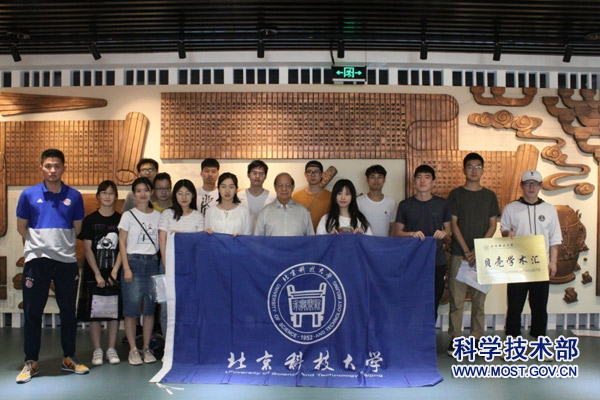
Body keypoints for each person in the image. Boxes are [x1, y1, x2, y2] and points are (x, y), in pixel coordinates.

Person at [16, 148, 89, 383]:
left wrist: (59, 246)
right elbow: (21, 227)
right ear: (41, 168)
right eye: (48, 166)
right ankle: (31, 362)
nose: (52, 170)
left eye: (57, 166)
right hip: (36, 262)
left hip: (66, 261)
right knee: (32, 313)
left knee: (68, 312)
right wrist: (39, 247)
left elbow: (77, 228)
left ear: (63, 168)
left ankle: (69, 358)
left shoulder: (74, 196)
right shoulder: (28, 194)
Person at [447, 153, 500, 355]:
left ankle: (477, 338)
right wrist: (467, 250)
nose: (474, 170)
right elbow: (453, 224)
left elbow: (493, 224)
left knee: (479, 300)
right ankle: (455, 339)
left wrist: (478, 249)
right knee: (457, 300)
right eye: (470, 166)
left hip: (482, 256)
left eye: (478, 167)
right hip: (459, 254)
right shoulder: (456, 194)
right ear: (464, 170)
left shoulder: (490, 196)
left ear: (483, 170)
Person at [501, 170, 562, 341]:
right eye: (528, 183)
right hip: (518, 265)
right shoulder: (511, 208)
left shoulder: (549, 209)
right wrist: (507, 233)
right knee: (514, 305)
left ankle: (539, 338)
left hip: (540, 265)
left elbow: (554, 238)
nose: (531, 187)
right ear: (521, 185)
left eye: (535, 183)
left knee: (539, 306)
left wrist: (553, 262)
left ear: (540, 186)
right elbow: (504, 229)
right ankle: (512, 340)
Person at [394, 165, 451, 322]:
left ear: (433, 181)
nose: (423, 180)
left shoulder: (442, 204)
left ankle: (429, 335)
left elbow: (449, 229)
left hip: (436, 260)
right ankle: (412, 334)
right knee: (412, 300)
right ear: (414, 181)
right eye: (419, 177)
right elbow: (397, 232)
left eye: (427, 177)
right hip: (412, 261)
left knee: (433, 300)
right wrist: (411, 234)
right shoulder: (405, 205)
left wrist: (444, 233)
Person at [77, 180, 122, 367]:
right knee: (93, 312)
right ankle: (97, 349)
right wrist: (97, 273)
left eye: (111, 193)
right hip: (93, 271)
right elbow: (87, 249)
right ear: (98, 196)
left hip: (114, 271)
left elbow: (123, 247)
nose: (107, 196)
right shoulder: (90, 220)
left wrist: (114, 271)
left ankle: (111, 348)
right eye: (104, 192)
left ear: (116, 196)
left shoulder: (121, 219)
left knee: (114, 311)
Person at [118, 177, 161, 365]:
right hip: (134, 262)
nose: (142, 194)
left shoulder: (158, 216)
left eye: (146, 190)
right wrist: (126, 267)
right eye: (138, 190)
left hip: (152, 263)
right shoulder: (128, 215)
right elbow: (122, 242)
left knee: (149, 309)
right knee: (131, 310)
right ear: (134, 194)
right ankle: (133, 350)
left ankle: (146, 347)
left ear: (151, 192)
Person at [158, 179, 204, 338]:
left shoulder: (198, 216)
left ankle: (186, 343)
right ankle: (168, 345)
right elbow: (162, 240)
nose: (184, 197)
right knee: (166, 308)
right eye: (180, 193)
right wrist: (167, 266)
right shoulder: (167, 214)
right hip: (167, 266)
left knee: (187, 306)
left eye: (187, 193)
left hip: (190, 268)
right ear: (174, 195)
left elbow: (199, 243)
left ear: (193, 196)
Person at [292, 160, 331, 232]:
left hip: (323, 236)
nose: (313, 175)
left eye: (316, 172)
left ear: (322, 174)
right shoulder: (296, 196)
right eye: (309, 172)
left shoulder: (330, 196)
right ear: (305, 174)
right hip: (302, 235)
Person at [357, 165, 396, 236]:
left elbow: (393, 227)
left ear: (384, 180)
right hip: (364, 242)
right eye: (372, 177)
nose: (376, 180)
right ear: (367, 179)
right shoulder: (358, 201)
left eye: (380, 177)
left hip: (384, 242)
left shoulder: (391, 202)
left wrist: (389, 241)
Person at [237, 160, 276, 228]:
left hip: (265, 234)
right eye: (254, 173)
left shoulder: (272, 197)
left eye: (261, 174)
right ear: (248, 175)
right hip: (243, 234)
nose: (257, 176)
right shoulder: (239, 196)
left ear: (265, 176)